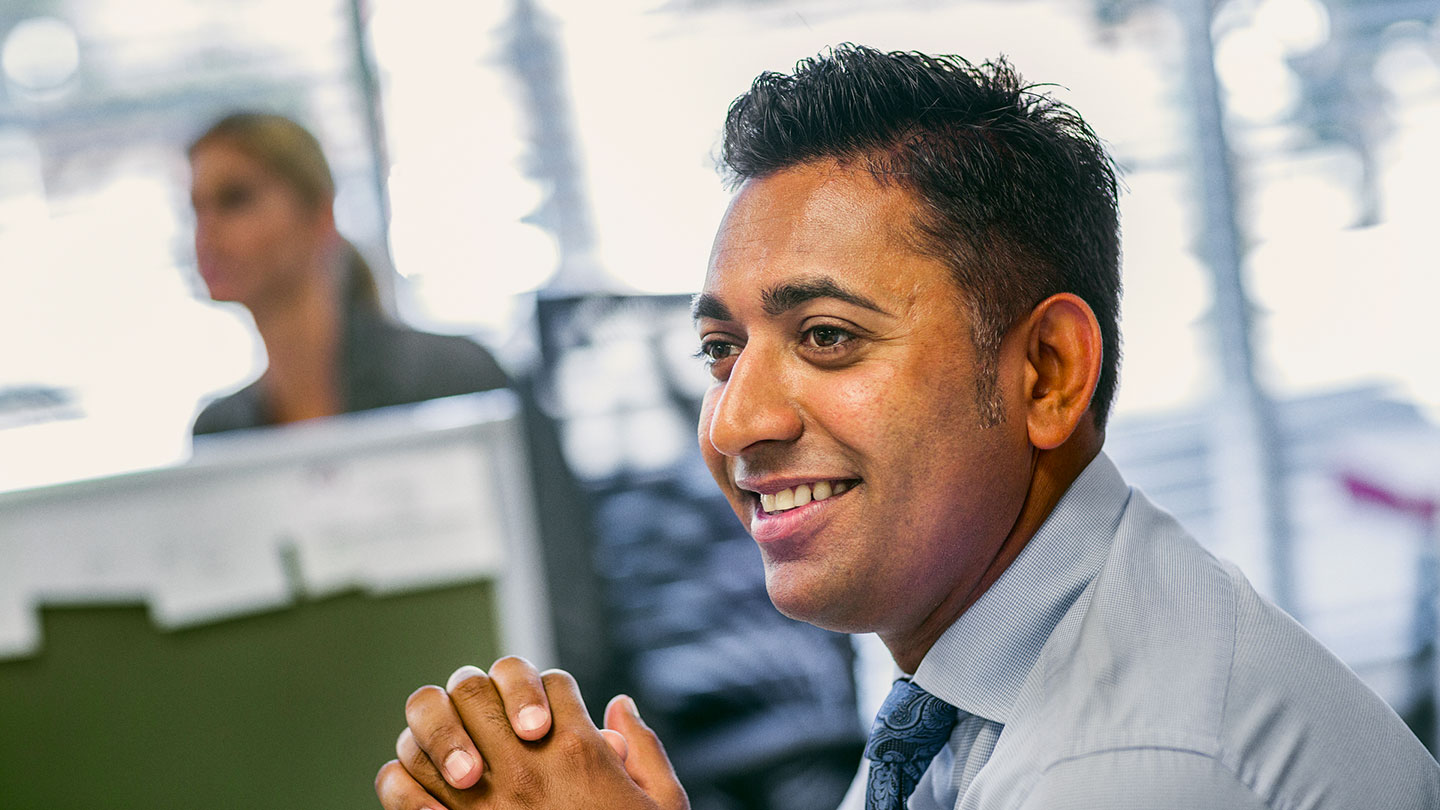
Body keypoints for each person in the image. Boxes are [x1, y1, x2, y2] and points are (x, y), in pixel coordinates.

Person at [373, 45, 1440, 810]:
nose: (736, 421)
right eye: (721, 352)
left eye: (828, 337)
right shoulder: (977, 677)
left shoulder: (1124, 767)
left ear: (1048, 374)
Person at [186, 112, 508, 435]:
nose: (206, 235)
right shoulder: (219, 433)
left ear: (321, 216)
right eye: (197, 209)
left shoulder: (453, 378)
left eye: (234, 200)